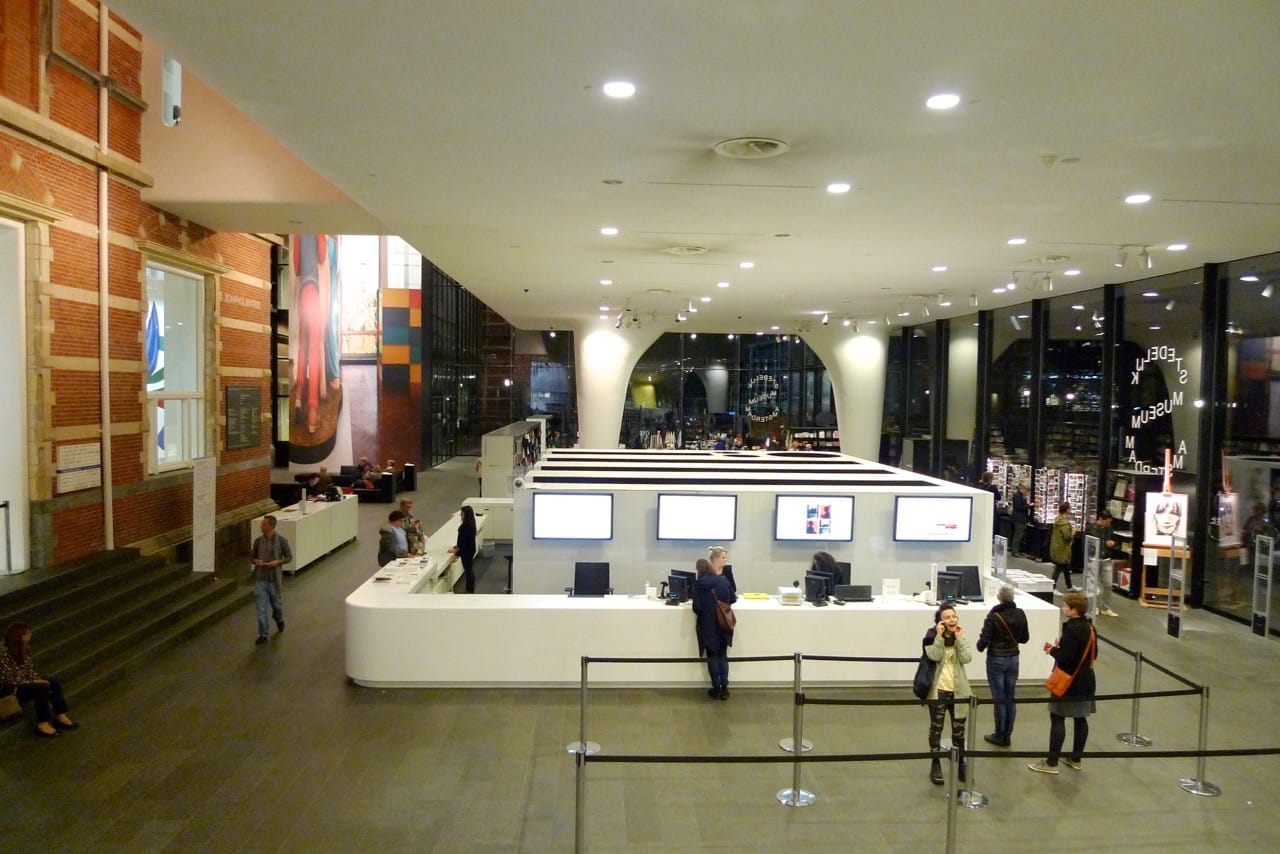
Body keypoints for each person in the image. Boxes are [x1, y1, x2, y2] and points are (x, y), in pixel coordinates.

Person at [1029, 591, 1098, 774]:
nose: (1063, 608)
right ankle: (1076, 758)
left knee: (1058, 717)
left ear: (1074, 611)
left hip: (1068, 683)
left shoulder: (1071, 630)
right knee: (1080, 718)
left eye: (1066, 606)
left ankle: (1052, 763)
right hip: (1086, 681)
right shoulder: (1090, 628)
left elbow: (1066, 659)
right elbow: (1093, 654)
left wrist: (1052, 650)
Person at [923, 603, 972, 785]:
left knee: (959, 731)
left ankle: (961, 764)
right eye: (947, 617)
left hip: (958, 691)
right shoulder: (930, 637)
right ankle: (935, 763)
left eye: (954, 616)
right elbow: (934, 656)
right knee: (936, 729)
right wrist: (939, 637)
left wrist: (958, 640)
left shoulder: (961, 637)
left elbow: (967, 658)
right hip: (938, 691)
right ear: (940, 622)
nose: (952, 620)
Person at [1, 622, 78, 737]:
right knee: (41, 688)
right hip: (11, 689)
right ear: (20, 636)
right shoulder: (4, 655)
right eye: (27, 633)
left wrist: (35, 678)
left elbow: (29, 670)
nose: (30, 635)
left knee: (53, 682)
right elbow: (9, 681)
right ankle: (42, 723)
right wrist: (33, 681)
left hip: (23, 682)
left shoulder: (24, 649)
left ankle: (60, 715)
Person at [976, 583, 1029, 746]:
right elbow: (1025, 638)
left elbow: (981, 645)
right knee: (1010, 697)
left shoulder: (993, 617)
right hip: (1013, 659)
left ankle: (999, 733)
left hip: (996, 660)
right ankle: (1008, 734)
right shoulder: (1020, 614)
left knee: (999, 698)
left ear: (999, 597)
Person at [692, 556, 736, 700]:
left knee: (712, 657)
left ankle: (716, 688)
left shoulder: (699, 584)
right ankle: (725, 688)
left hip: (708, 625)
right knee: (723, 656)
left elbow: (697, 608)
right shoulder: (723, 580)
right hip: (724, 624)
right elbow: (733, 599)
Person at [249, 515, 292, 646]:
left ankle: (279, 619)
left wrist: (278, 562)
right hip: (260, 579)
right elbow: (251, 556)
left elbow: (289, 557)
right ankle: (263, 634)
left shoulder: (282, 541)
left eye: (264, 524)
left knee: (277, 605)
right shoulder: (257, 542)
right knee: (261, 608)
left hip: (274, 579)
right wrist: (256, 561)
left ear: (271, 526)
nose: (261, 526)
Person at [1085, 510, 1120, 617]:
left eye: (1110, 522)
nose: (1108, 524)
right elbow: (1088, 543)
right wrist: (1087, 558)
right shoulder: (1090, 528)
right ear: (1100, 519)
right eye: (1107, 522)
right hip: (1093, 559)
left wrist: (1113, 544)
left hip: (1106, 559)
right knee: (1093, 584)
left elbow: (1114, 540)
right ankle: (1094, 607)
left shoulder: (1109, 528)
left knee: (1108, 584)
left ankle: (1106, 608)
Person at [449, 505, 478, 593]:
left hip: (467, 551)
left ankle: (469, 589)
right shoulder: (470, 523)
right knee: (469, 569)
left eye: (462, 513)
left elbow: (464, 539)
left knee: (468, 570)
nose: (461, 515)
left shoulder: (468, 525)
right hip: (469, 549)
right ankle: (469, 588)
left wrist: (457, 549)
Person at [1049, 501, 1077, 592]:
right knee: (1059, 567)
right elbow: (1067, 536)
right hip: (1062, 548)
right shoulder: (1064, 523)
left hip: (1058, 547)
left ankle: (1069, 586)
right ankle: (1052, 588)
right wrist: (1073, 532)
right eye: (1070, 509)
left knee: (1066, 568)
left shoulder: (1058, 519)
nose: (1071, 510)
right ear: (1067, 510)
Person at [1011, 484, 1036, 556]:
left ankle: (1016, 550)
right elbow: (1019, 507)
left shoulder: (1019, 495)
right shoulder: (1017, 496)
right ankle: (1015, 551)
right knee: (1017, 535)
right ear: (1023, 489)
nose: (1027, 493)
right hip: (1019, 519)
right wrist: (1029, 506)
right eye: (1027, 491)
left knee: (1018, 535)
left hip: (1019, 518)